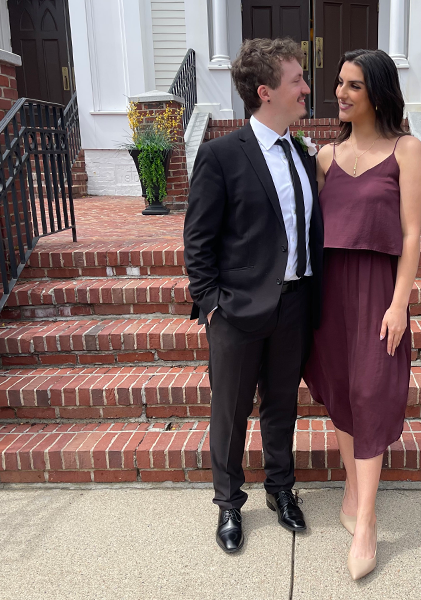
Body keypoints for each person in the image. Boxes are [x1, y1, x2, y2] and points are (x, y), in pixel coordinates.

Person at [184, 38, 323, 554]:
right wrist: (212, 302)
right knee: (231, 410)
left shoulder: (303, 153)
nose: (306, 88)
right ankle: (227, 503)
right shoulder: (220, 156)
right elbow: (198, 239)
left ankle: (281, 491)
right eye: (296, 81)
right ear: (266, 92)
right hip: (237, 310)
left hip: (294, 304)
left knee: (281, 406)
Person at [302, 49, 421, 580]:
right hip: (330, 294)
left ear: (377, 90)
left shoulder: (407, 150)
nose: (341, 93)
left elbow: (412, 234)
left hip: (378, 292)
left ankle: (367, 522)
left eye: (353, 85)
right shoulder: (327, 158)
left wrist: (400, 303)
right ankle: (354, 490)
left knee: (373, 393)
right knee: (344, 391)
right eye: (338, 84)